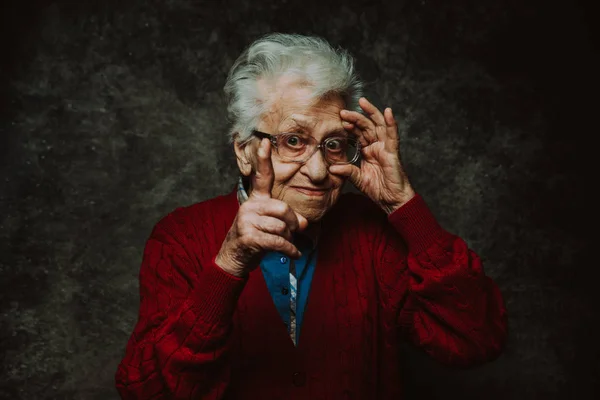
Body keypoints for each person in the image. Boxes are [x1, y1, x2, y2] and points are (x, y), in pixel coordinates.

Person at [115, 33, 507, 400]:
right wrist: (229, 265)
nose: (318, 171)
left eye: (334, 144)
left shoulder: (371, 234)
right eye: (294, 141)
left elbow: (476, 339)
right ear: (244, 151)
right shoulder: (180, 237)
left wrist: (403, 205)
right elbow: (148, 391)